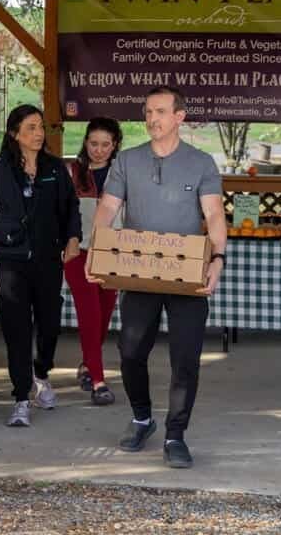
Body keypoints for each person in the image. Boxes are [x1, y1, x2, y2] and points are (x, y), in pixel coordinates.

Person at [88, 86, 227, 469]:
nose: (152, 119)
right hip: (138, 274)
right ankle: (142, 418)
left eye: (161, 112)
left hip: (187, 274)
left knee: (186, 359)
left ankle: (175, 435)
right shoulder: (127, 161)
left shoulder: (201, 163)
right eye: (148, 112)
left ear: (179, 117)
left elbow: (214, 215)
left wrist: (217, 259)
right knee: (131, 352)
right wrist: (98, 253)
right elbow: (107, 209)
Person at [0, 104, 81, 428]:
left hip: (48, 260)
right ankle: (20, 397)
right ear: (15, 134)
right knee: (16, 331)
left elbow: (71, 208)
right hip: (11, 261)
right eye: (30, 128)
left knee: (49, 325)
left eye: (40, 127)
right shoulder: (3, 171)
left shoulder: (55, 168)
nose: (38, 133)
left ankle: (41, 372)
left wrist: (73, 238)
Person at [66, 117, 124, 406]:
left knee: (103, 315)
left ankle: (88, 364)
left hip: (112, 253)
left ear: (115, 146)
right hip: (78, 253)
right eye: (93, 143)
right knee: (88, 313)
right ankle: (99, 381)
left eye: (105, 144)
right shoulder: (71, 173)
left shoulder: (123, 174)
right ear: (85, 142)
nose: (98, 150)